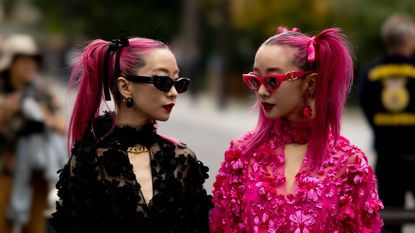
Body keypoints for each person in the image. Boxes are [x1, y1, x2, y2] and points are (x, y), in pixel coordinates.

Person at [210, 26, 384, 232]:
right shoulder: (241, 155)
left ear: (310, 83)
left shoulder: (350, 164)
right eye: (256, 81)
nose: (262, 92)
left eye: (272, 81)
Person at [49, 36, 212, 233]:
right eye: (162, 81)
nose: (173, 93)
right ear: (125, 87)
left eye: (179, 82)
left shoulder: (183, 160)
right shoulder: (88, 161)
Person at [0, 34, 67, 233]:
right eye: (23, 61)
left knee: (37, 227)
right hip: (5, 171)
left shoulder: (43, 92)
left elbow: (63, 127)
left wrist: (45, 118)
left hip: (38, 171)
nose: (29, 66)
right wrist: (5, 113)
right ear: (10, 63)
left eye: (32, 60)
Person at [359, 13, 415, 233]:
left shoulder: (372, 72)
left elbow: (364, 101)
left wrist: (380, 127)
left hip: (388, 157)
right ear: (408, 40)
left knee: (390, 217)